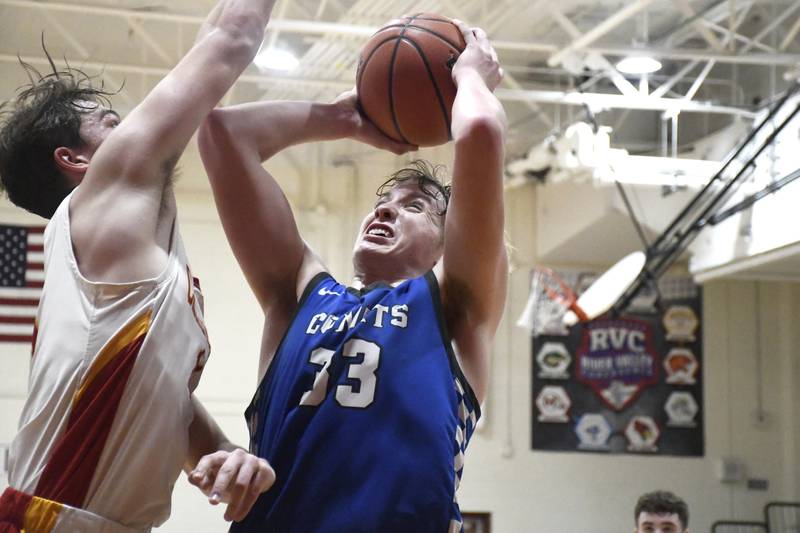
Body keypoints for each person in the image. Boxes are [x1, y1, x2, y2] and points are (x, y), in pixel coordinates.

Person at [195, 20, 506, 532]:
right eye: (382, 203)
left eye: (415, 208)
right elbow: (223, 135)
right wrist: (343, 118)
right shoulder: (299, 294)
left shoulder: (455, 305)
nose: (383, 212)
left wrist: (471, 79)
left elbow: (479, 132)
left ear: (451, 242)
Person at [0, 0, 282, 530]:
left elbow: (166, 397)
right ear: (76, 160)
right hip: (51, 518)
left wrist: (221, 451)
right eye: (114, 124)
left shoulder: (127, 259)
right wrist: (348, 118)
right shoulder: (99, 205)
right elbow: (231, 39)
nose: (141, 128)